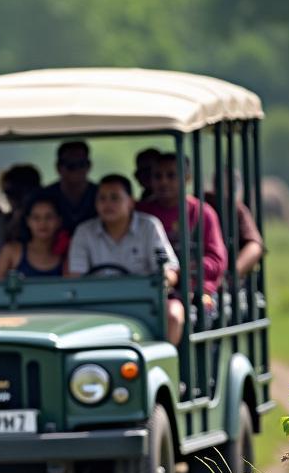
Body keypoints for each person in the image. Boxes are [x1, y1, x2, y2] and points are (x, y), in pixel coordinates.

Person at [67, 174, 184, 344]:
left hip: (144, 303)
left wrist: (164, 279)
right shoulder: (84, 232)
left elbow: (170, 268)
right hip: (97, 305)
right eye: (102, 199)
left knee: (174, 314)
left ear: (130, 202)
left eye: (115, 198)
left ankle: (164, 363)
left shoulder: (149, 226)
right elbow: (75, 277)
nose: (108, 204)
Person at [138, 153, 227, 315]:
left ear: (187, 178)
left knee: (198, 310)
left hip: (195, 292)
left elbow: (217, 261)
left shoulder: (202, 213)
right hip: (151, 290)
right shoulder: (141, 213)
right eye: (158, 176)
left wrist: (181, 271)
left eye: (171, 175)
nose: (164, 182)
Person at [0, 193, 65, 281]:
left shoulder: (67, 255)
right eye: (36, 218)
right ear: (28, 221)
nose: (43, 223)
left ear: (59, 221)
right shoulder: (11, 252)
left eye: (49, 217)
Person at [203, 187, 264, 277]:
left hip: (222, 272)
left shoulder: (235, 208)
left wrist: (231, 274)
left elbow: (254, 246)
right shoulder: (198, 204)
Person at [41, 140, 98, 233]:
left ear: (89, 166)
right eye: (70, 165)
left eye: (81, 164)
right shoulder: (43, 196)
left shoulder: (102, 195)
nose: (76, 170)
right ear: (58, 167)